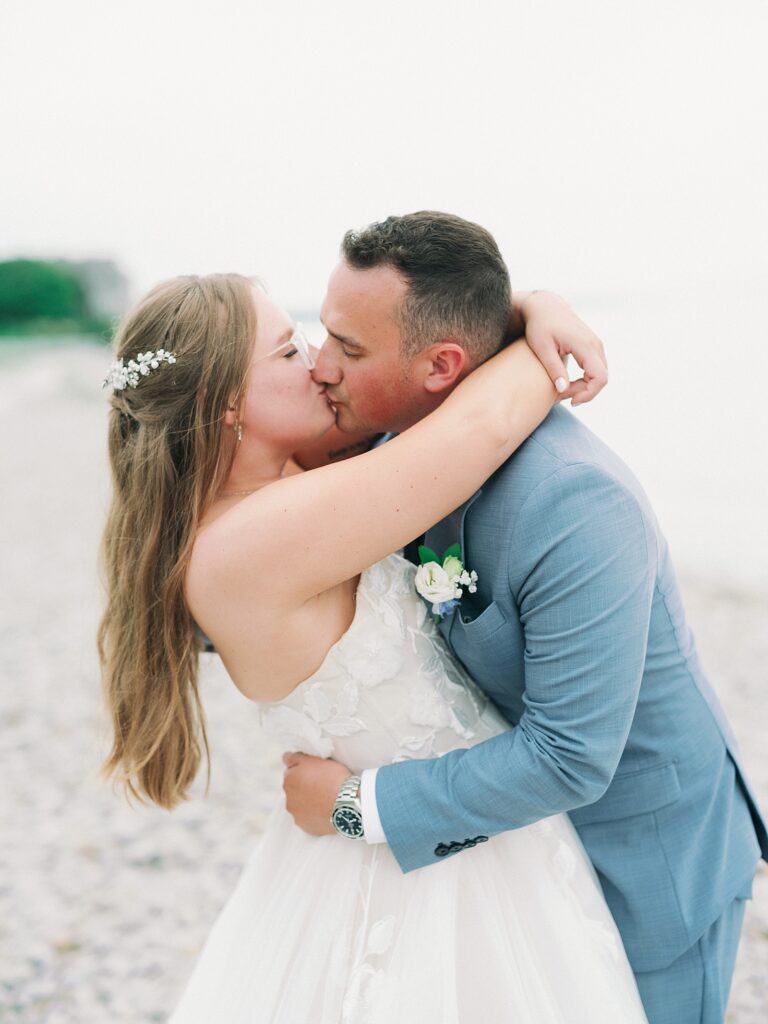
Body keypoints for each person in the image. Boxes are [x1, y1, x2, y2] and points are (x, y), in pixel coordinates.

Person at [98, 269, 650, 1022]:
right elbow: (479, 429)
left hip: (448, 832)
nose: (319, 363)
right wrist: (549, 329)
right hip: (421, 877)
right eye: (288, 351)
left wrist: (525, 303)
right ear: (227, 403)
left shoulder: (276, 486)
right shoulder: (251, 543)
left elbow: (427, 371)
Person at [282, 211, 768, 1024]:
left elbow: (571, 756)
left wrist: (356, 806)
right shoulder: (394, 443)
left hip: (644, 858)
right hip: (516, 860)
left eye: (350, 348)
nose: (320, 365)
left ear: (442, 366)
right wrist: (531, 304)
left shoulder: (574, 502)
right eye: (323, 333)